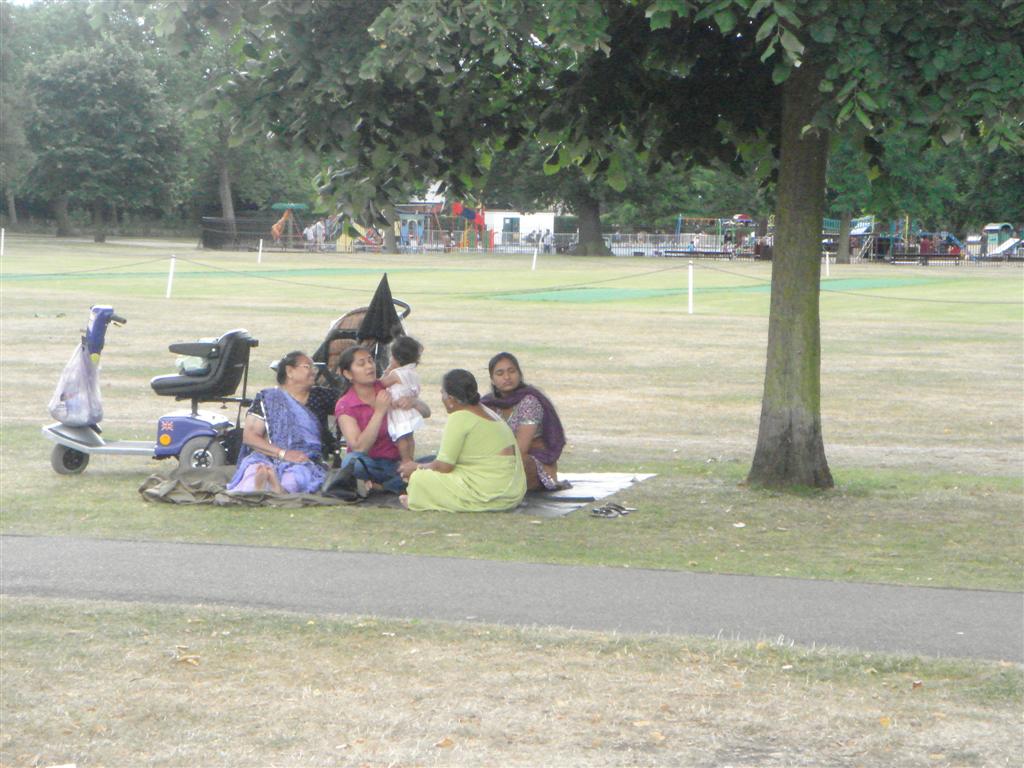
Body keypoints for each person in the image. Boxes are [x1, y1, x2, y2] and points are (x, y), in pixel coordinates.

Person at [400, 369, 526, 512]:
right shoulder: (488, 411)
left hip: (490, 492)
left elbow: (444, 467)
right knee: (428, 465)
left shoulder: (459, 417)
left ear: (451, 399)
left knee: (419, 478)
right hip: (511, 493)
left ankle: (418, 499)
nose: (442, 398)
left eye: (443, 393)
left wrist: (416, 468)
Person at [227, 351, 335, 494]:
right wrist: (283, 453)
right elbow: (250, 437)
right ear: (290, 371)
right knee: (255, 469)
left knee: (298, 474)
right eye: (307, 367)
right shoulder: (268, 398)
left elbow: (349, 406)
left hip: (305, 457)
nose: (314, 372)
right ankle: (258, 487)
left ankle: (279, 489)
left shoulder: (322, 396)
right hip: (268, 454)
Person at [335, 345, 430, 494]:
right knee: (352, 462)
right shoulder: (345, 404)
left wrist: (414, 402)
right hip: (371, 464)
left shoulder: (387, 386)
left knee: (437, 460)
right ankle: (404, 483)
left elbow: (426, 413)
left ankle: (385, 486)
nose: (369, 366)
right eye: (361, 364)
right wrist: (379, 412)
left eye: (370, 360)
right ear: (348, 374)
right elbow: (359, 447)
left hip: (398, 463)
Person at [482, 352, 568, 492]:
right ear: (492, 379)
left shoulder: (529, 401)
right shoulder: (488, 404)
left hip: (532, 463)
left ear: (519, 374)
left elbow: (521, 449)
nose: (507, 377)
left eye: (512, 371)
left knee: (506, 464)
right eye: (500, 373)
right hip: (502, 460)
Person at [380, 336, 424, 463]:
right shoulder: (412, 373)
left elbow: (381, 384)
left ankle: (405, 461)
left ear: (396, 358)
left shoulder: (396, 374)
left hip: (399, 412)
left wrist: (387, 370)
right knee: (410, 437)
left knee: (401, 438)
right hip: (410, 411)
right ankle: (411, 458)